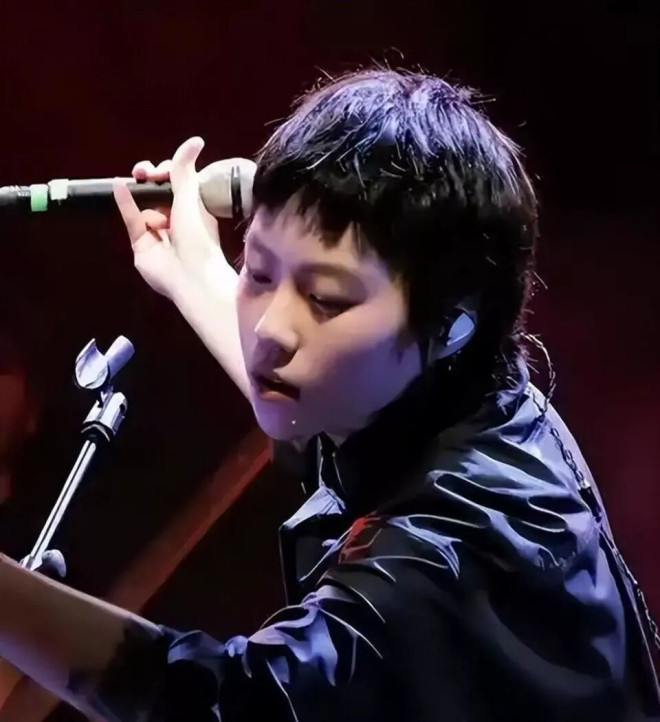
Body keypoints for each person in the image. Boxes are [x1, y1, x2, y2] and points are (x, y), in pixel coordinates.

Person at [0, 67, 658, 721]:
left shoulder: (455, 547)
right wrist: (192, 268)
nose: (269, 328)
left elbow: (235, 706)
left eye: (326, 298)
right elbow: (320, 400)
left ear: (451, 324)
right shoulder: (466, 398)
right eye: (260, 271)